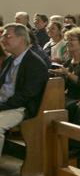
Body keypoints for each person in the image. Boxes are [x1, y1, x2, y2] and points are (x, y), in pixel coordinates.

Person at [0, 23, 49, 159]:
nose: (3, 40)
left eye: (7, 36)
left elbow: (26, 96)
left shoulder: (35, 64)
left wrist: (2, 106)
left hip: (20, 108)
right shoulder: (9, 60)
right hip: (6, 103)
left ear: (21, 39)